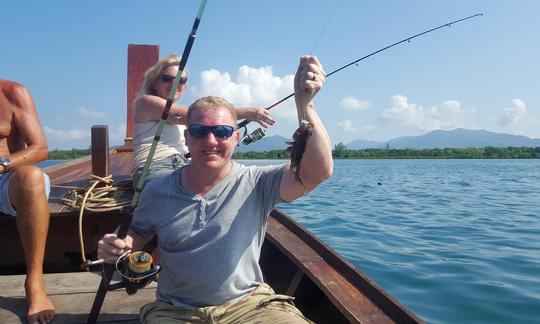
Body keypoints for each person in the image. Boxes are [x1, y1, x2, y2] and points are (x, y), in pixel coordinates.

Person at [99, 55, 332, 323]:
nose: (211, 140)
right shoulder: (158, 189)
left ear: (235, 137)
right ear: (187, 137)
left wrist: (306, 104)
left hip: (250, 306)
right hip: (176, 310)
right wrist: (119, 245)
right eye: (199, 130)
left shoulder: (257, 182)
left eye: (222, 131)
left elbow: (317, 172)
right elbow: (137, 232)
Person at [131, 54, 276, 187]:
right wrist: (247, 112)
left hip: (186, 165)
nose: (174, 84)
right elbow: (191, 117)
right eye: (167, 79)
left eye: (180, 80)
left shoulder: (188, 121)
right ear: (154, 82)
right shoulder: (145, 102)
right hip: (156, 167)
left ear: (185, 86)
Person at [0, 80, 54, 324]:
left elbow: (40, 149)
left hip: (5, 178)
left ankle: (35, 282)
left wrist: (2, 164)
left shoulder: (12, 93)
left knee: (33, 177)